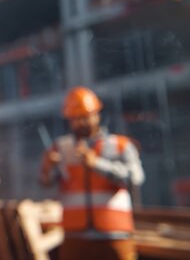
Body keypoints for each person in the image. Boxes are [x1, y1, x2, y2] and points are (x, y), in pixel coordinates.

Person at [39, 86, 145, 260]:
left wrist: (97, 163)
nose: (80, 123)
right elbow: (46, 182)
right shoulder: (61, 148)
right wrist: (47, 167)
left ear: (97, 114)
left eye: (85, 117)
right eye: (75, 119)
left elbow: (136, 177)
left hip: (113, 235)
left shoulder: (120, 145)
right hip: (75, 237)